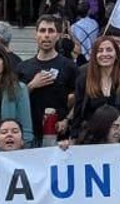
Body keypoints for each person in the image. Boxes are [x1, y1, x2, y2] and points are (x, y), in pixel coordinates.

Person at [18, 15, 77, 145]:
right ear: (36, 34)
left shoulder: (69, 66)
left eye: (51, 31)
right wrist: (32, 86)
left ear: (58, 35)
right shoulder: (23, 67)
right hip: (30, 136)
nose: (46, 35)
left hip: (59, 137)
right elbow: (14, 100)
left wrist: (67, 120)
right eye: (42, 30)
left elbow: (80, 97)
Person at [70, 36, 120, 132]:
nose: (104, 54)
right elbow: (78, 113)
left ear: (116, 54)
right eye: (100, 50)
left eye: (109, 50)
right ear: (95, 55)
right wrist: (73, 136)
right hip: (92, 139)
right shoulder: (83, 80)